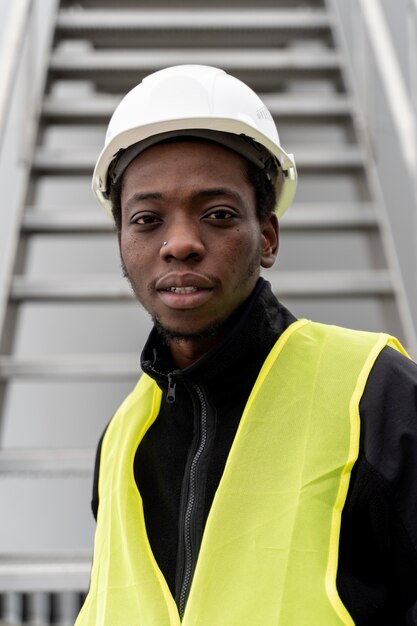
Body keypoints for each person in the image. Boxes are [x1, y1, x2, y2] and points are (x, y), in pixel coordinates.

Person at [75, 65, 417, 625]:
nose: (181, 243)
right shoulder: (121, 439)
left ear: (268, 237)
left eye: (218, 215)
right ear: (121, 244)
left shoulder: (376, 395)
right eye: (147, 219)